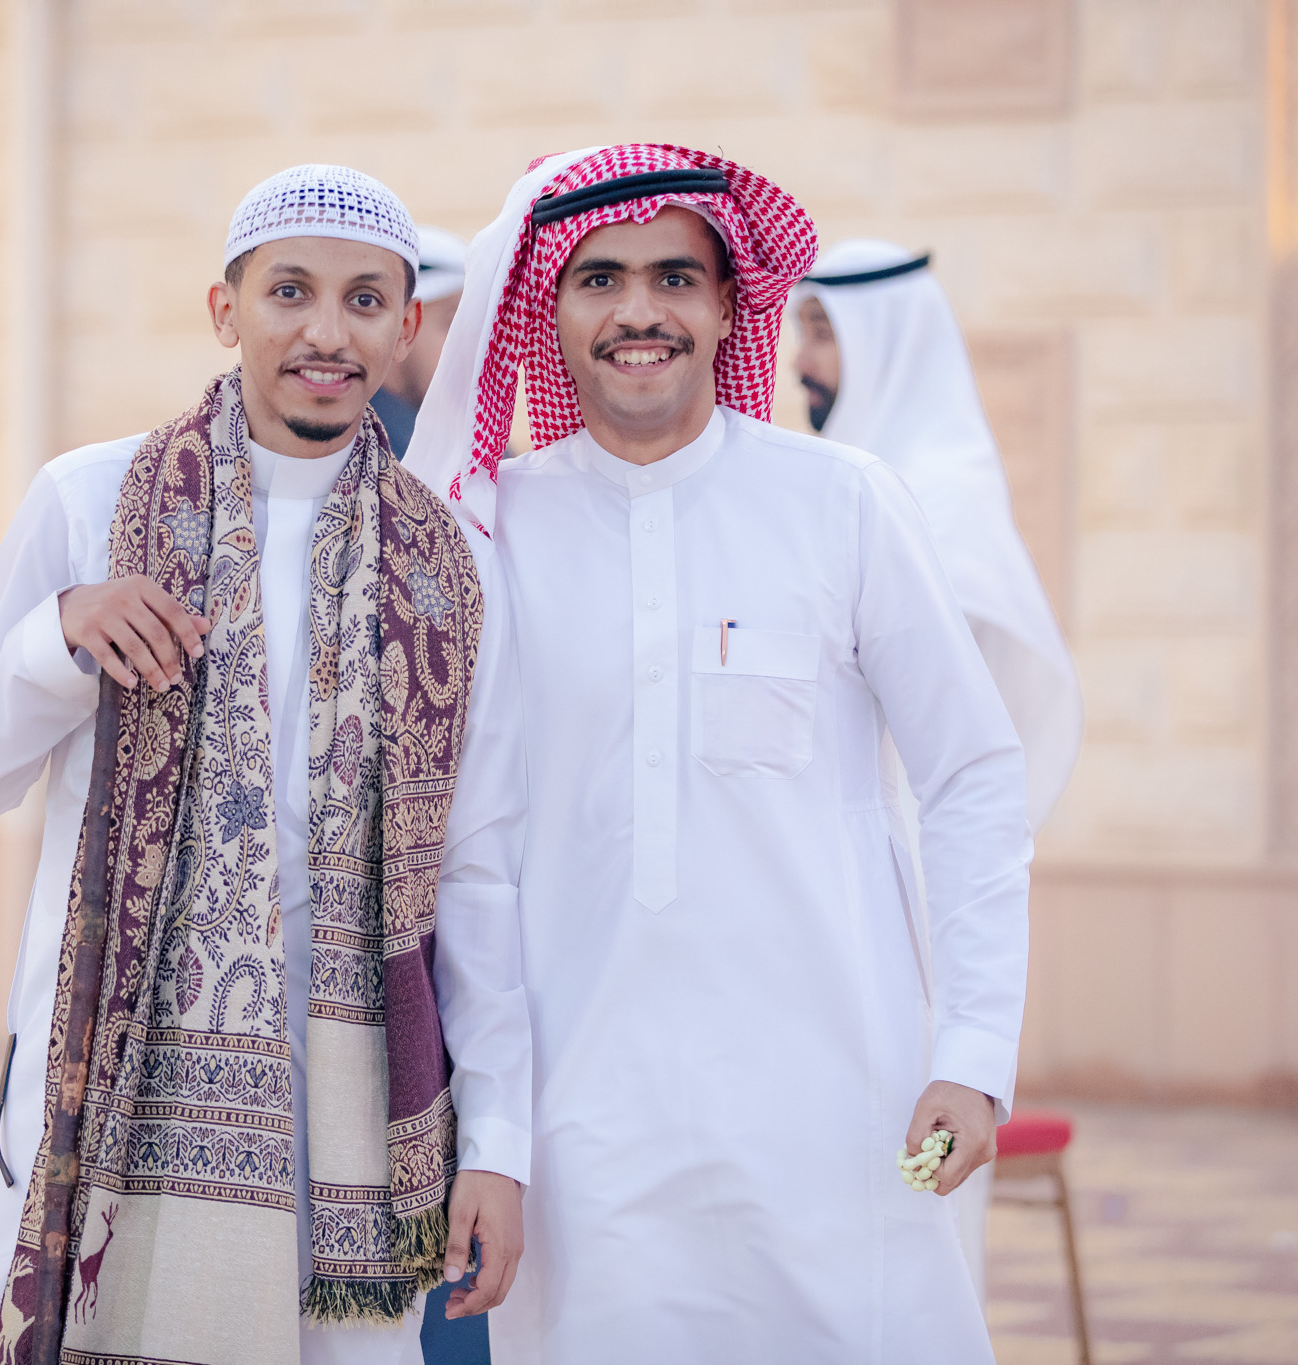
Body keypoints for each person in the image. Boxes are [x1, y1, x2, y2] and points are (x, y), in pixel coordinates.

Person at [404, 145, 1032, 1362]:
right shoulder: (491, 531)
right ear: (546, 308)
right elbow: (475, 863)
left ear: (730, 305)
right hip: (586, 1131)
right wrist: (495, 1137)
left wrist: (971, 1053)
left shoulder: (841, 502)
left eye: (673, 278)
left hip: (838, 1107)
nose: (637, 311)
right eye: (598, 279)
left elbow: (969, 774)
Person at [0, 164, 530, 1365]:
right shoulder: (91, 501)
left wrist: (498, 1141)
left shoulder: (451, 563)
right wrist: (57, 635)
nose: (325, 332)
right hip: (110, 1091)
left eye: (363, 301)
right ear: (224, 309)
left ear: (406, 328)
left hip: (353, 1119)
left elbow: (476, 870)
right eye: (288, 292)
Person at [792, 241, 1086, 1302]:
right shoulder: (836, 487)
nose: (801, 361)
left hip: (915, 903)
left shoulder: (939, 500)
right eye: (801, 330)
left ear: (885, 341)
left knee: (914, 1226)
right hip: (822, 902)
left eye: (822, 333)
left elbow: (964, 751)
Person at [370, 226, 466, 457]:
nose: (474, 350)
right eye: (454, 324)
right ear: (402, 328)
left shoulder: (468, 438)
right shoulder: (353, 451)